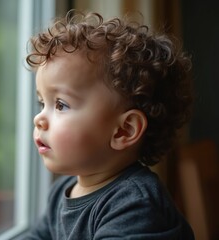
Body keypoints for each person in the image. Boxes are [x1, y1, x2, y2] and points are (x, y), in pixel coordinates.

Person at [25, 11, 194, 239]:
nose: (39, 119)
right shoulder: (62, 191)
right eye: (41, 102)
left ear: (124, 130)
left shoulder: (135, 205)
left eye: (61, 105)